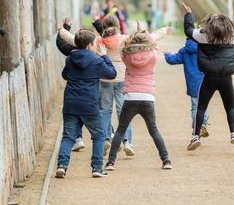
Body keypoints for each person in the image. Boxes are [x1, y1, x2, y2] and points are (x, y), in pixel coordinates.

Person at [60, 16, 134, 156]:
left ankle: (107, 137)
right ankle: (127, 141)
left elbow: (72, 39)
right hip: (121, 78)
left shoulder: (100, 41)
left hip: (105, 80)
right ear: (118, 25)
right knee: (122, 111)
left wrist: (62, 30)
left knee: (105, 110)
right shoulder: (125, 39)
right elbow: (141, 40)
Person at [105, 22, 173, 171]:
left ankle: (110, 163)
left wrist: (133, 36)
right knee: (154, 130)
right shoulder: (153, 55)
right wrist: (143, 31)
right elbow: (153, 43)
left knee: (120, 130)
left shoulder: (126, 56)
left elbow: (122, 50)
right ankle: (166, 160)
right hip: (147, 97)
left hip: (130, 97)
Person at [183, 3, 234, 150]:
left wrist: (189, 15)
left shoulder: (203, 35)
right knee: (230, 106)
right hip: (226, 78)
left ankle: (195, 137)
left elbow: (188, 30)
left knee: (201, 108)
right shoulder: (232, 36)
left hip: (209, 77)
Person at [56, 28, 117, 178]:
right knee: (98, 136)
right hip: (89, 104)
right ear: (90, 45)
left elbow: (65, 75)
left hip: (71, 103)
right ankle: (96, 168)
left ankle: (62, 166)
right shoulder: (97, 61)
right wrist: (104, 56)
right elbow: (111, 73)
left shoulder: (70, 59)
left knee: (68, 137)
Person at [164, 38, 209, 137]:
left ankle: (197, 127)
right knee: (203, 105)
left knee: (194, 107)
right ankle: (203, 124)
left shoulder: (184, 50)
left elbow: (172, 60)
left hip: (192, 83)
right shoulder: (204, 48)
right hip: (205, 81)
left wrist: (167, 54)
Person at [56, 18, 86, 152]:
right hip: (90, 91)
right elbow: (111, 39)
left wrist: (64, 28)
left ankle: (78, 138)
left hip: (73, 92)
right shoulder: (96, 52)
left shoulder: (71, 53)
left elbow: (61, 43)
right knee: (98, 115)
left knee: (74, 116)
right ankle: (108, 136)